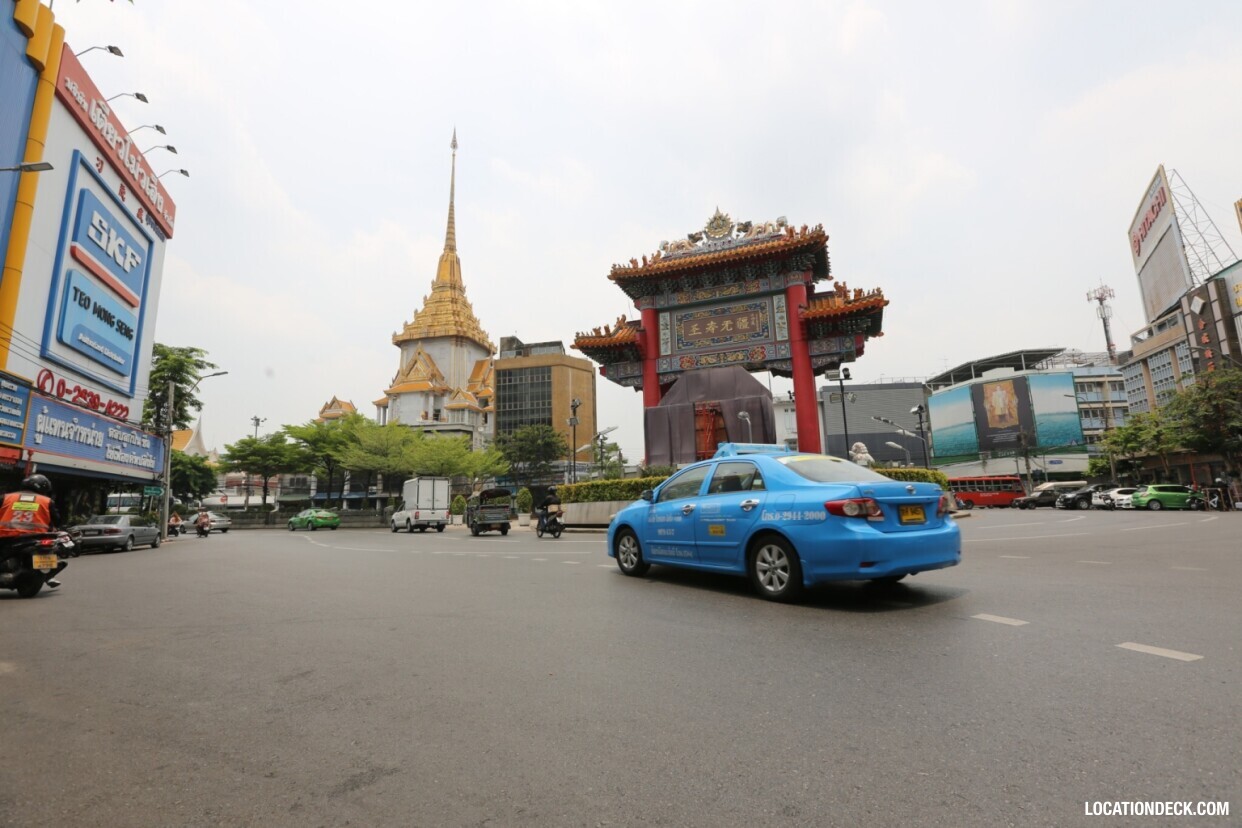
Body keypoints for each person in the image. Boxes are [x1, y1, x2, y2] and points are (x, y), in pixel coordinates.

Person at [0, 474, 63, 588]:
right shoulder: (47, 501)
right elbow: (57, 521)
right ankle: (48, 575)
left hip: (6, 536)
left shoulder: (6, 497)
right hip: (37, 537)